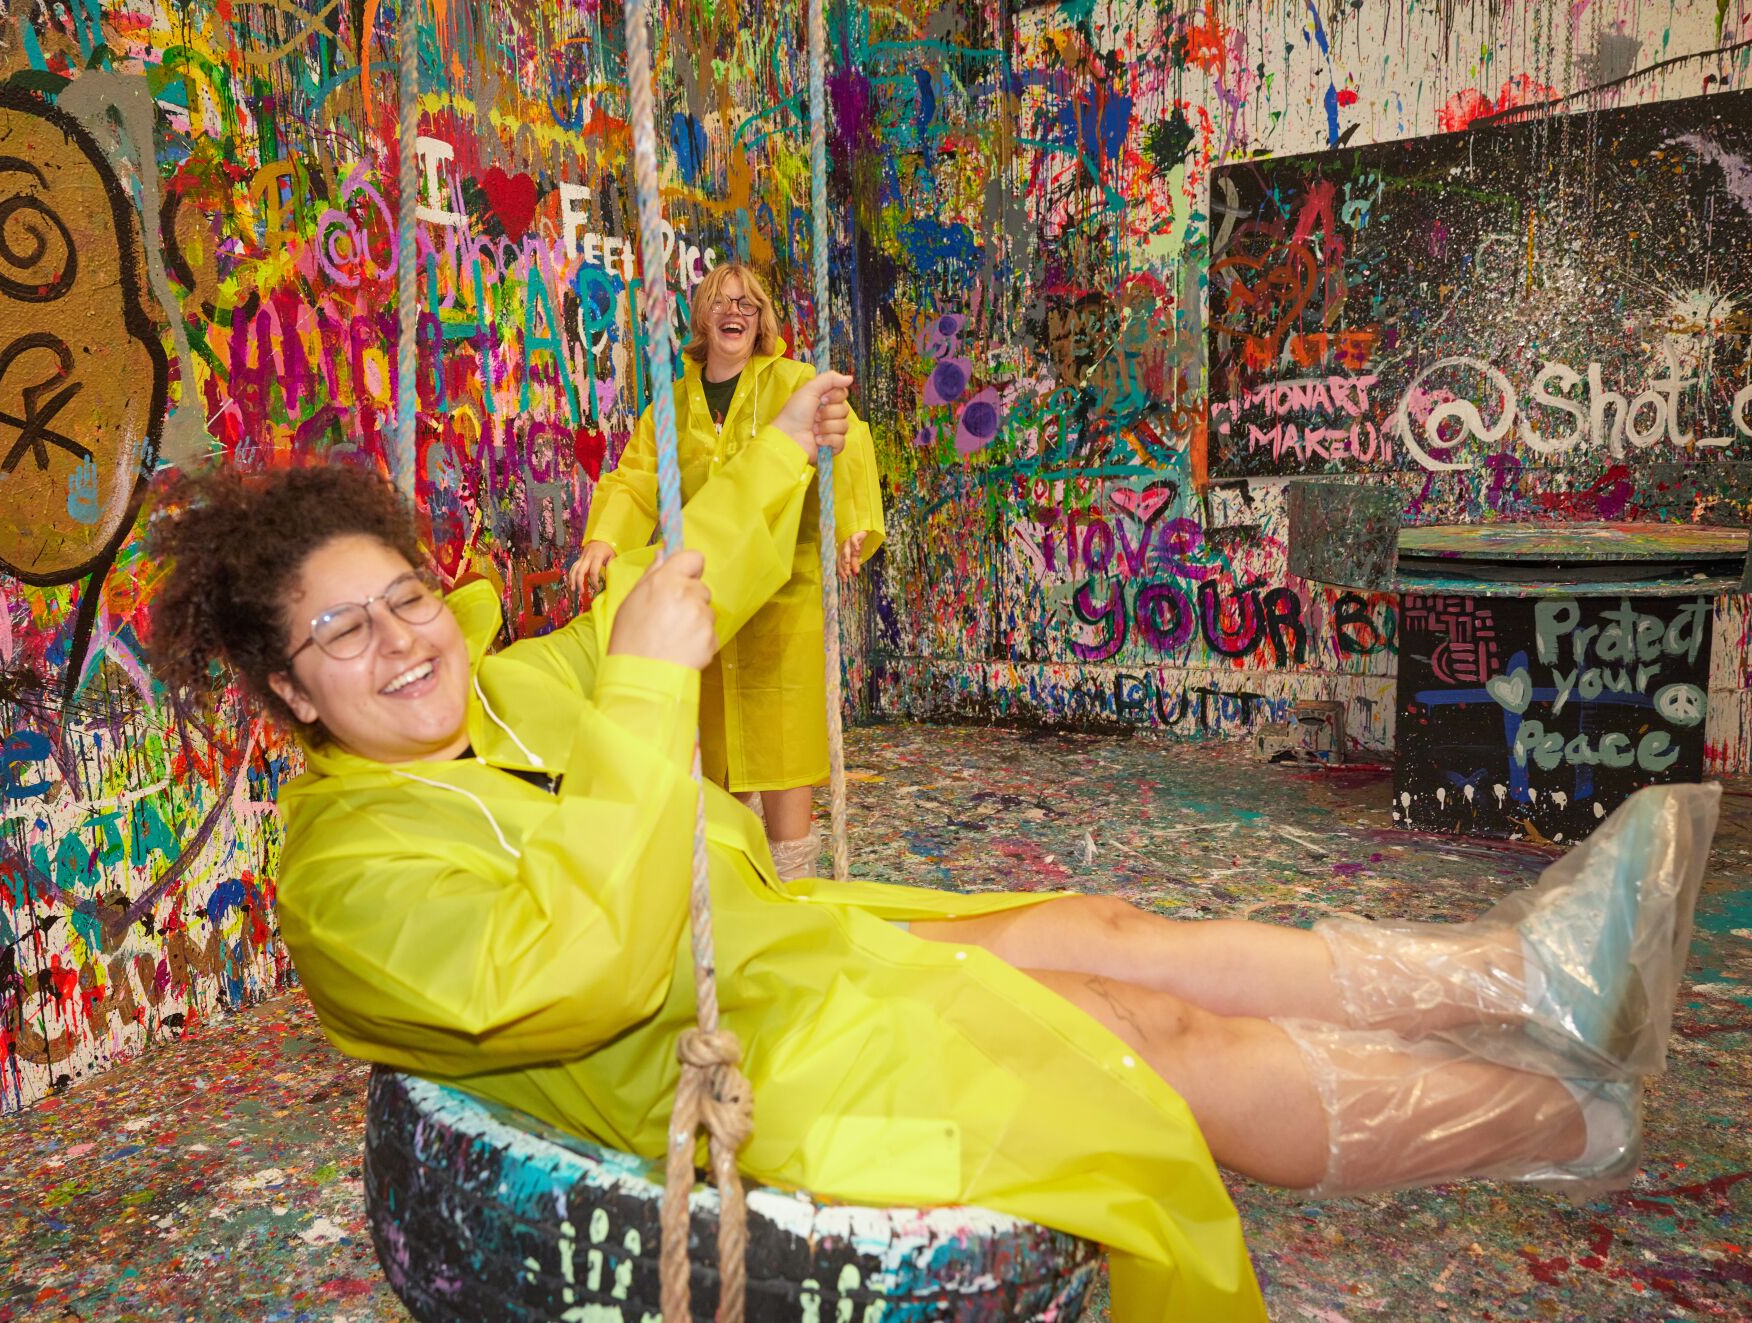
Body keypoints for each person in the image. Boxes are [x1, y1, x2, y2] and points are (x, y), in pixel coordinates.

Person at [148, 371, 1719, 1323]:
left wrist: (780, 444)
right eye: (343, 632)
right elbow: (579, 968)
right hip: (720, 1048)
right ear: (290, 686)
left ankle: (1524, 967)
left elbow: (714, 565)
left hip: (790, 945)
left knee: (1099, 924)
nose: (400, 639)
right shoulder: (344, 874)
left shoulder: (504, 687)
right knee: (1128, 1042)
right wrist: (641, 683)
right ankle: (1558, 1118)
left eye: (404, 595)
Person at [567, 262, 882, 879]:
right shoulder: (673, 401)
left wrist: (852, 525)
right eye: (720, 302)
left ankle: (793, 888)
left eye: (747, 303)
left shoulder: (791, 382)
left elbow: (848, 438)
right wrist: (605, 539)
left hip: (783, 597)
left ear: (761, 319)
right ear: (702, 318)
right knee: (716, 760)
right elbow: (636, 481)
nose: (734, 311)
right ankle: (736, 889)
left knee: (784, 754)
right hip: (709, 599)